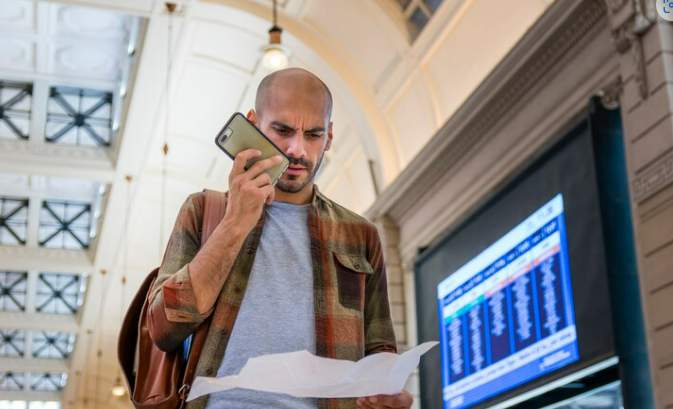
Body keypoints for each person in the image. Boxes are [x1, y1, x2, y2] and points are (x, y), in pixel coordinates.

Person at [146, 68, 412, 409]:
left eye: (313, 134)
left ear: (329, 136)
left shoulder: (360, 235)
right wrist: (235, 223)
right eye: (283, 130)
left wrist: (388, 394)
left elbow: (380, 351)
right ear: (254, 123)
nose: (296, 149)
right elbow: (163, 329)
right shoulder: (204, 211)